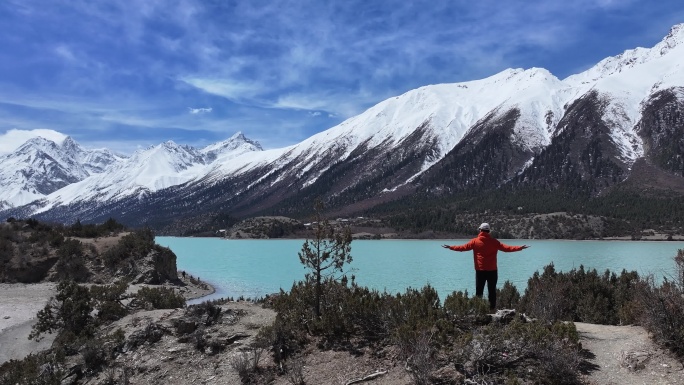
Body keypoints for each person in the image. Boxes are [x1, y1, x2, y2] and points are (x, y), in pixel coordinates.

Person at [442, 223, 529, 311]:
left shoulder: (475, 241)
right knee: (492, 291)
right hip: (492, 270)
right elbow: (507, 248)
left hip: (480, 270)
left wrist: (451, 247)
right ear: (489, 231)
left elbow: (462, 248)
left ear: (480, 230)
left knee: (479, 291)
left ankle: (479, 310)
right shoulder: (494, 242)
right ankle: (492, 310)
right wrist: (519, 247)